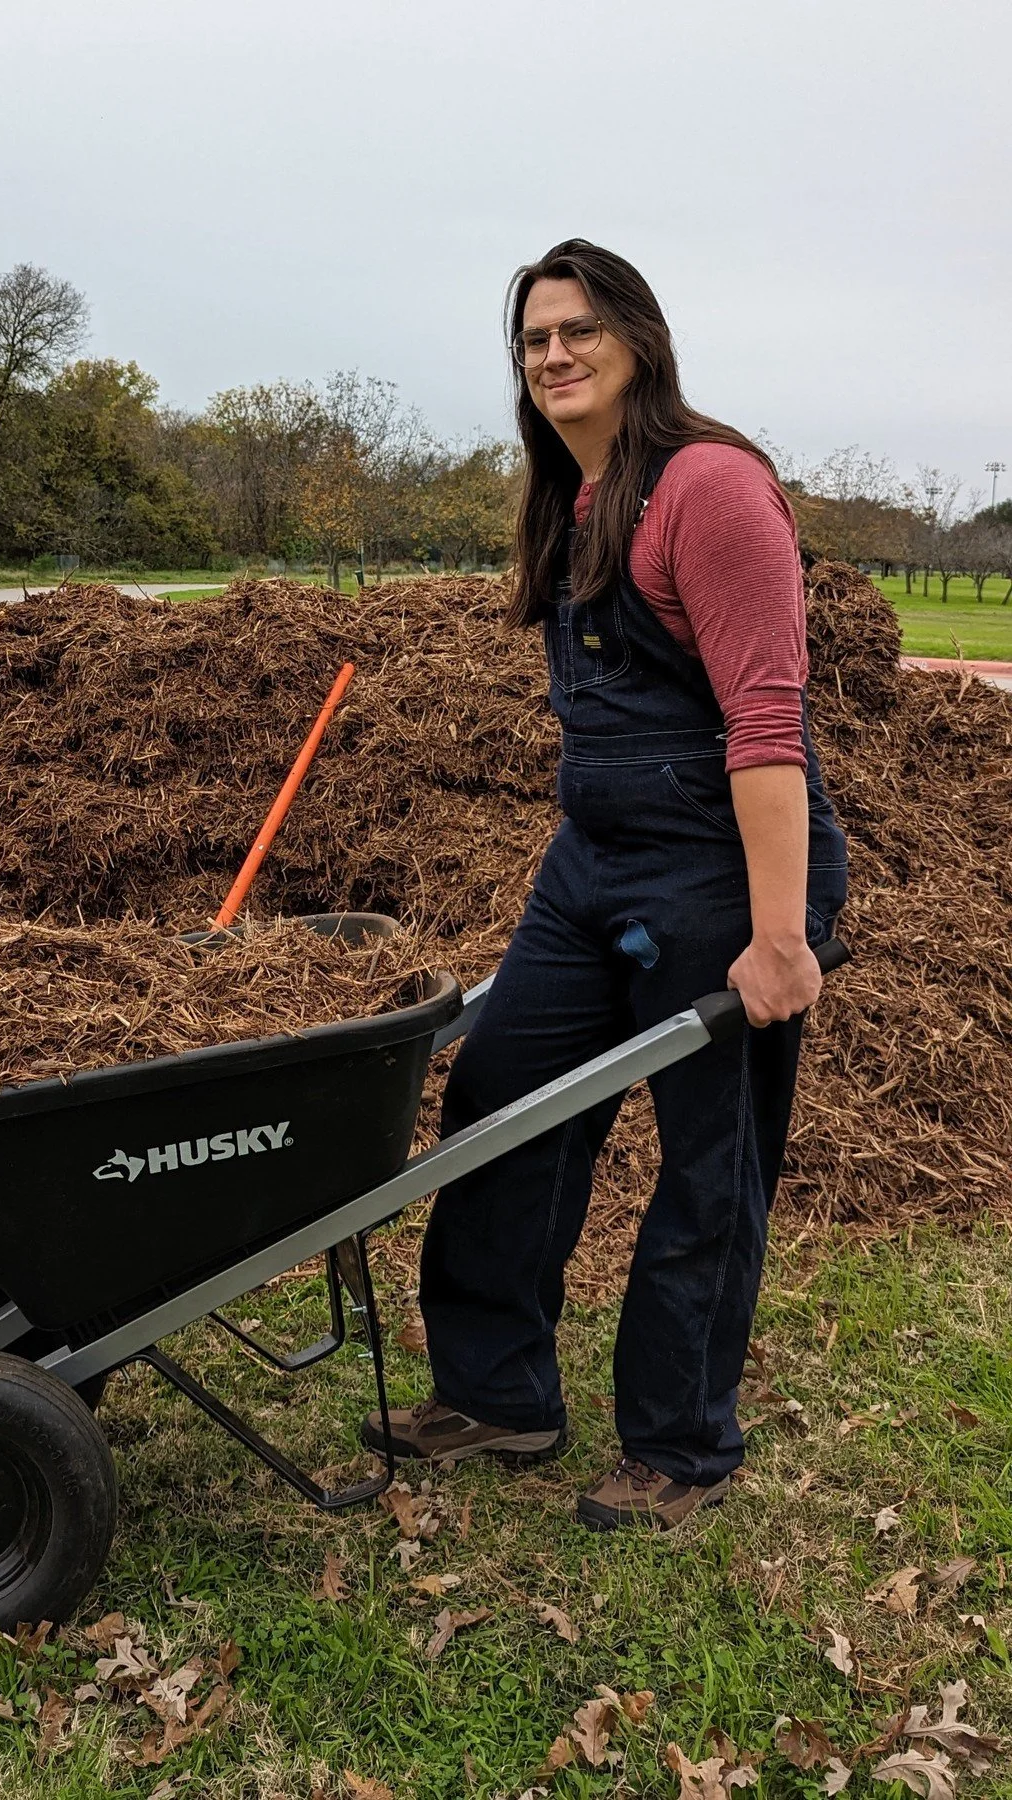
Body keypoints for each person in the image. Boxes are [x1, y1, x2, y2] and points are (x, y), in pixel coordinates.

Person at [363, 239, 847, 1530]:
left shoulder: (711, 488)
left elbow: (766, 724)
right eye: (533, 339)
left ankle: (681, 1446)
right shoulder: (574, 500)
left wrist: (781, 934)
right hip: (594, 862)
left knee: (708, 1161)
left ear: (639, 340)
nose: (554, 354)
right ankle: (499, 1393)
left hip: (720, 869)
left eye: (579, 329)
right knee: (502, 1100)